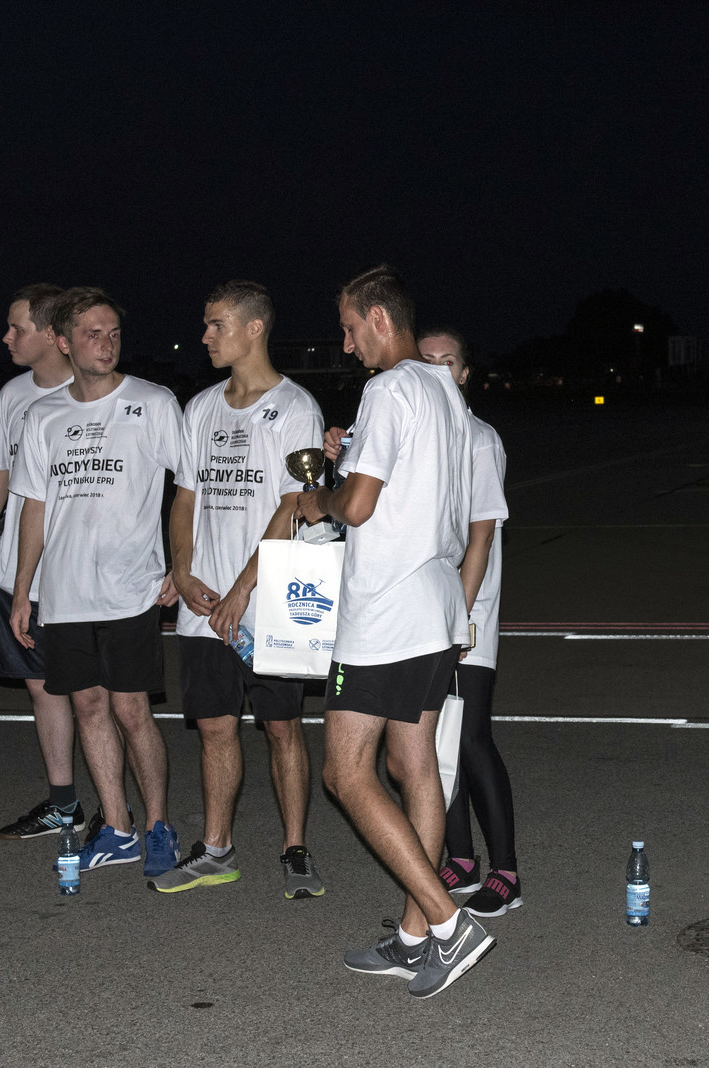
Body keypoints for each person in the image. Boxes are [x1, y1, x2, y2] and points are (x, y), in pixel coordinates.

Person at [295, 265, 489, 999]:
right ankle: (413, 938)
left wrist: (321, 497)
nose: (347, 346)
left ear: (380, 318)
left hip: (385, 612)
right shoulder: (444, 391)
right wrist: (351, 461)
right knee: (414, 765)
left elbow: (359, 507)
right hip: (436, 605)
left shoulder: (387, 389)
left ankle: (448, 921)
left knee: (344, 773)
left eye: (350, 328)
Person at [152, 280, 326, 898]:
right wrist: (181, 568)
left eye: (216, 324)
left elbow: (293, 504)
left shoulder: (297, 408)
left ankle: (295, 848)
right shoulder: (200, 408)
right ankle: (217, 850)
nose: (205, 336)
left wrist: (245, 587)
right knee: (215, 727)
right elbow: (185, 498)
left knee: (281, 726)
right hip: (204, 603)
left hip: (268, 602)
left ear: (254, 328)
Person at [10, 286, 184, 880]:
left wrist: (180, 564)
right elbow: (34, 506)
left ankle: (158, 825)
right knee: (87, 706)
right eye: (92, 334)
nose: (106, 344)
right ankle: (117, 827)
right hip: (65, 593)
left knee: (132, 710)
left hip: (130, 586)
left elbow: (189, 488)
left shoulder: (152, 402)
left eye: (113, 334)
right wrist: (23, 589)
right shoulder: (43, 416)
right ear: (63, 341)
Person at [0, 284, 86, 841]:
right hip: (19, 567)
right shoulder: (14, 394)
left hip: (75, 572)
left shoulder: (90, 392)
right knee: (41, 687)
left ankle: (122, 810)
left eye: (16, 327)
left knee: (97, 694)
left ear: (50, 333)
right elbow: (0, 464)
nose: (6, 337)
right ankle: (64, 803)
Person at [419, 327, 518, 918]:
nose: (437, 371)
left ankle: (506, 871)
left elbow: (479, 537)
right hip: (421, 610)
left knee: (472, 736)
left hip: (466, 610)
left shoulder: (479, 439)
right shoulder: (417, 435)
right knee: (432, 740)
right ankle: (460, 857)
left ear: (464, 374)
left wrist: (458, 618)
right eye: (425, 361)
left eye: (447, 361)